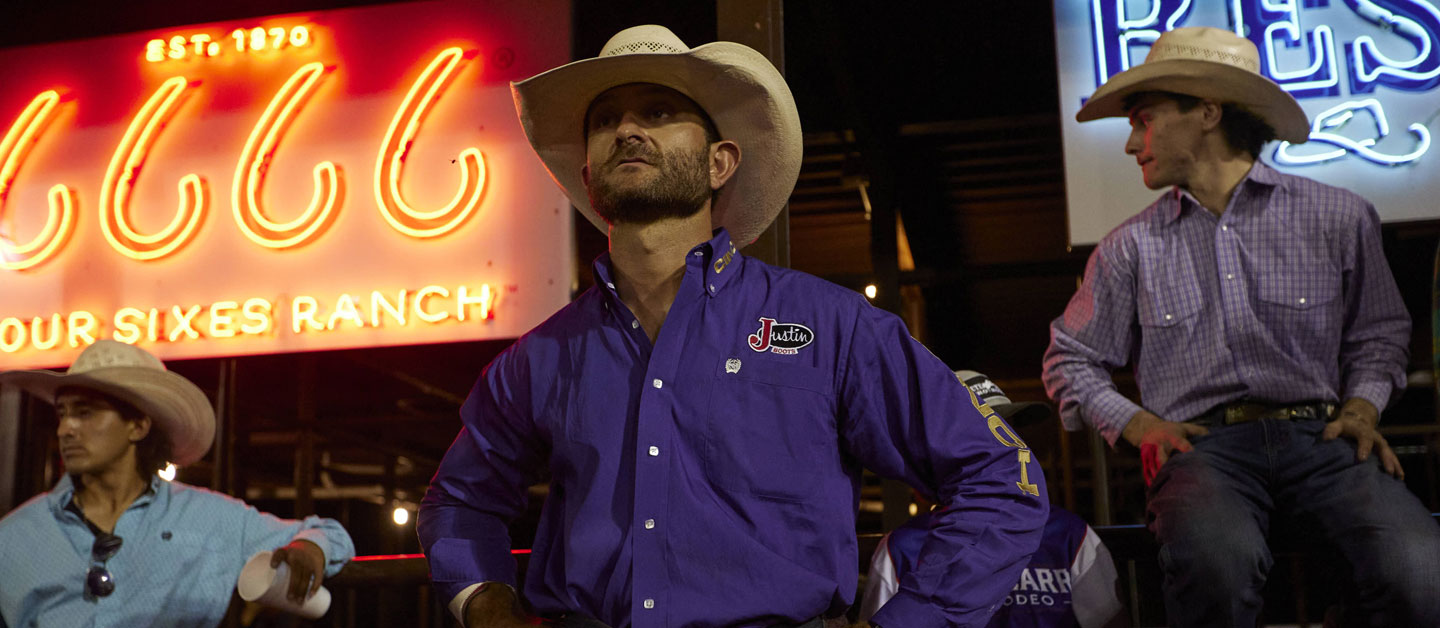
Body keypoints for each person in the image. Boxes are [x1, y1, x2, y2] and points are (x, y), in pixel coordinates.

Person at [417, 24, 1048, 628]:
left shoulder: (831, 326)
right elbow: (460, 501)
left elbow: (1000, 478)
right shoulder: (540, 357)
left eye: (659, 112)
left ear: (721, 163)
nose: (628, 129)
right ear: (588, 175)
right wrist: (488, 609)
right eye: (605, 121)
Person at [1041, 26, 1439, 627]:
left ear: (1207, 111)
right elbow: (1068, 358)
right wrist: (1141, 425)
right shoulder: (1129, 247)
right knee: (1214, 565)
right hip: (1205, 451)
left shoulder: (1337, 215)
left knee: (1418, 571)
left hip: (1322, 439)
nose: (1131, 143)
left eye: (1144, 120)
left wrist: (1361, 410)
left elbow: (1379, 332)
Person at [0, 340, 355, 628]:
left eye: (86, 412)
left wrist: (311, 549)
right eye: (62, 414)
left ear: (138, 426)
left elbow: (327, 532)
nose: (65, 429)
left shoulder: (209, 517)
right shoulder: (16, 534)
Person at [860, 372, 1126, 628]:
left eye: (1009, 432)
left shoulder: (1070, 536)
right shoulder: (901, 549)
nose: (1008, 449)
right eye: (988, 436)